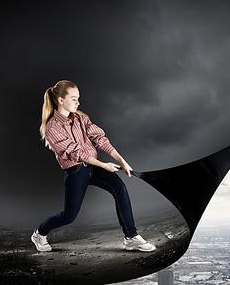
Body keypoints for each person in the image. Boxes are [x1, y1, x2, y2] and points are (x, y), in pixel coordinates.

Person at [31, 80, 155, 253]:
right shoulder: (52, 128)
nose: (78, 102)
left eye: (78, 98)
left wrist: (122, 161)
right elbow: (77, 153)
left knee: (120, 188)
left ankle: (131, 238)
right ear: (60, 100)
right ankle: (39, 233)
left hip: (93, 167)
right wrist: (104, 165)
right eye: (74, 99)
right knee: (69, 216)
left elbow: (100, 139)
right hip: (75, 172)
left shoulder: (82, 118)